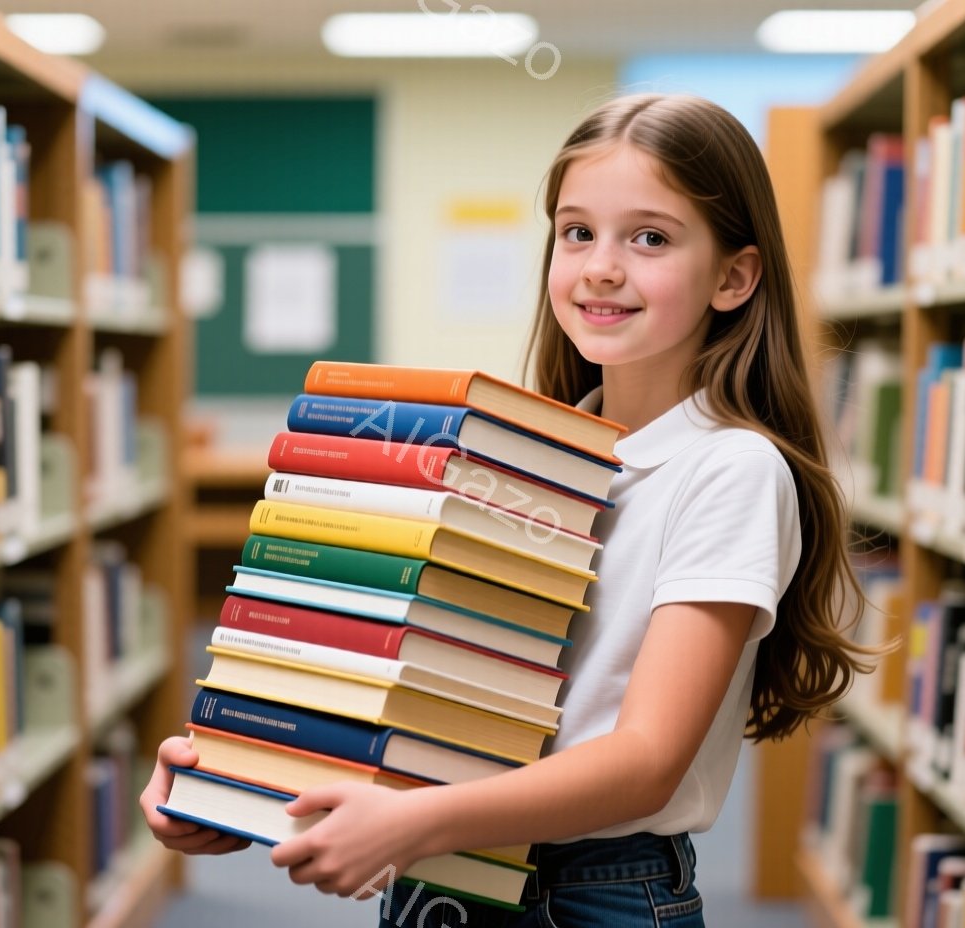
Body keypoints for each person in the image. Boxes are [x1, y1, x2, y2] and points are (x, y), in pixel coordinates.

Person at [139, 93, 877, 927]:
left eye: (651, 237)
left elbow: (645, 763)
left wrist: (410, 822)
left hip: (592, 890)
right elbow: (429, 685)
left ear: (734, 276)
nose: (601, 265)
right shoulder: (531, 458)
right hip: (446, 869)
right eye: (577, 231)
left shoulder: (731, 468)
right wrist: (237, 783)